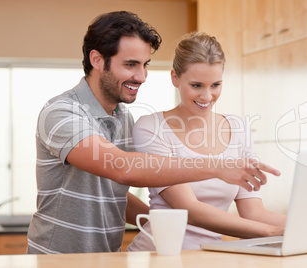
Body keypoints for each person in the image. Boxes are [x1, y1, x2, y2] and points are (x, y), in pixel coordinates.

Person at [27, 12, 280, 254]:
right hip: (58, 259)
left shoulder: (121, 117)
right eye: (130, 64)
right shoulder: (61, 113)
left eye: (145, 65)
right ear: (96, 59)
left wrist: (161, 219)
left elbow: (112, 194)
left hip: (106, 257)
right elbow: (123, 168)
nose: (142, 76)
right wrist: (217, 167)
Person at [127, 32, 287, 251]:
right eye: (196, 85)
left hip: (209, 258)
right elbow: (188, 210)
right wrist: (271, 233)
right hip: (158, 256)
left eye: (215, 85)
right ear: (175, 78)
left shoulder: (238, 129)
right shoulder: (151, 128)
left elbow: (253, 212)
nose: (207, 96)